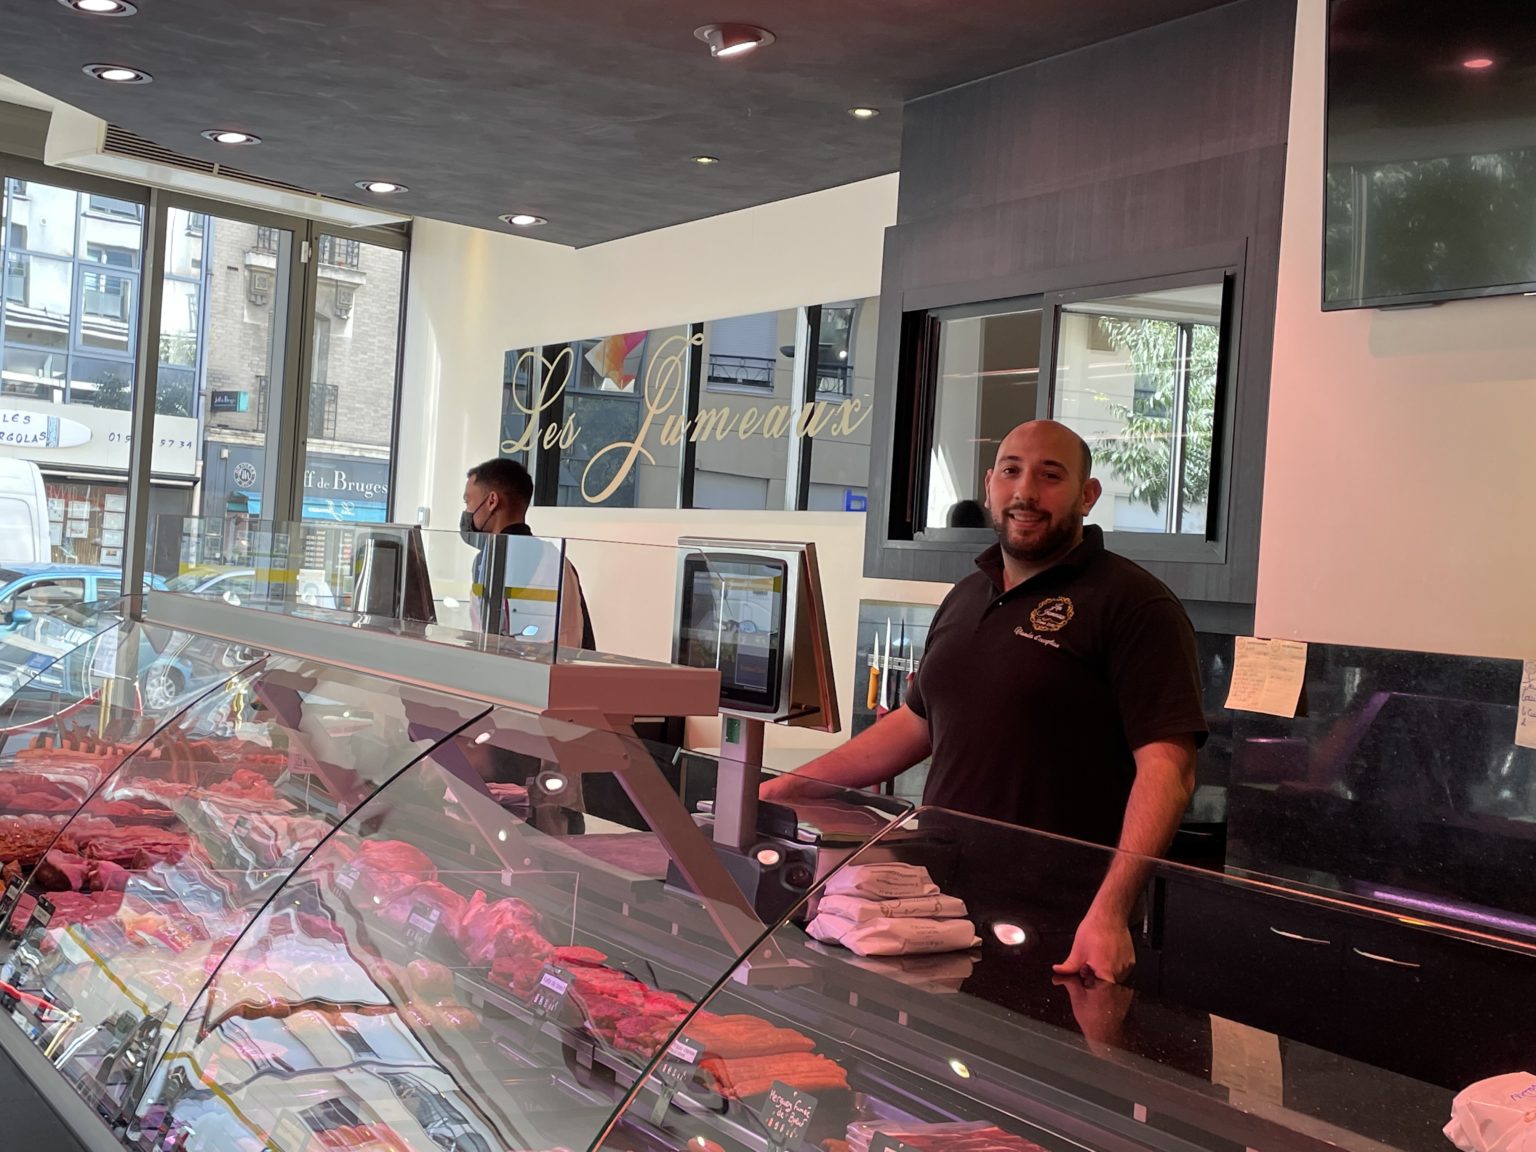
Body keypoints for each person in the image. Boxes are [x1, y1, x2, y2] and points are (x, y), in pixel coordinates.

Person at [762, 420, 1206, 982]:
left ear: (1087, 495)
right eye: (1012, 472)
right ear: (990, 485)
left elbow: (1169, 771)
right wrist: (791, 787)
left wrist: (1110, 911)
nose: (1026, 492)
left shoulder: (1135, 604)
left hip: (1062, 926)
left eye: (1050, 476)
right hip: (934, 907)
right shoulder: (968, 594)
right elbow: (918, 723)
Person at [461, 457, 595, 650]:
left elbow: (491, 640)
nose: (467, 511)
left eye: (468, 502)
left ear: (492, 501)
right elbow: (585, 640)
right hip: (557, 667)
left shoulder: (490, 561)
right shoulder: (559, 562)